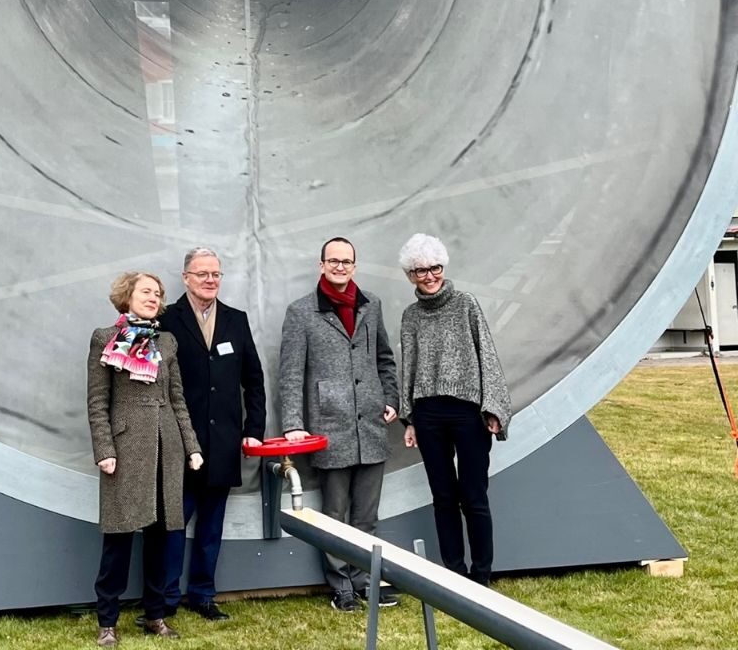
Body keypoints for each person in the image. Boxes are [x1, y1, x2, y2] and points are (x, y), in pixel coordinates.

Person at [278, 237, 400, 612]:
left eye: (347, 261)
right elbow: (290, 374)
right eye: (334, 261)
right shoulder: (301, 313)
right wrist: (293, 424)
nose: (340, 267)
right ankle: (341, 586)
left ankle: (367, 580)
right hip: (329, 428)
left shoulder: (371, 305)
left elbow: (384, 357)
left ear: (355, 266)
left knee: (367, 514)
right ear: (321, 265)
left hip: (371, 426)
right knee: (334, 514)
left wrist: (391, 399)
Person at [87, 271, 204, 647]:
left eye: (157, 293)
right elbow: (97, 403)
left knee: (161, 539)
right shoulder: (105, 338)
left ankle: (155, 615)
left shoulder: (166, 342)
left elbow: (178, 399)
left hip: (166, 448)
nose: (153, 298)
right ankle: (107, 622)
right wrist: (104, 450)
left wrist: (192, 447)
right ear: (127, 296)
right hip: (124, 452)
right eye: (146, 292)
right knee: (118, 540)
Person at [158, 247, 266, 621]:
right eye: (201, 273)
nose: (209, 280)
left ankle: (203, 595)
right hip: (179, 442)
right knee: (172, 524)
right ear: (185, 277)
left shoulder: (236, 320)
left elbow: (253, 380)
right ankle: (165, 599)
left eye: (215, 274)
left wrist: (255, 429)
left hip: (222, 444)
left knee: (211, 525)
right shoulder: (167, 319)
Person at [398, 233, 511, 587]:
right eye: (420, 270)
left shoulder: (466, 304)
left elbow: (487, 355)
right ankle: (454, 574)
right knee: (443, 497)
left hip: (468, 412)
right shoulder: (410, 316)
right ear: (410, 275)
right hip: (428, 414)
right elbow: (408, 367)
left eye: (434, 268)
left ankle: (481, 576)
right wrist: (410, 418)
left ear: (443, 268)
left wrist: (493, 407)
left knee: (474, 496)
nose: (429, 276)